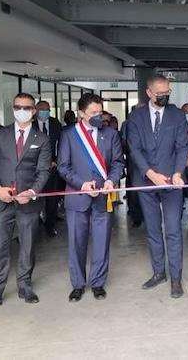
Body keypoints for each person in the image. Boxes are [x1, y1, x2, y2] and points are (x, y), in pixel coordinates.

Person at [0, 93, 51, 316]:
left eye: (27, 107)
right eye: (18, 107)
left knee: (27, 245)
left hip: (27, 203)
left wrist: (32, 191)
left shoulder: (42, 138)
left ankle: (25, 285)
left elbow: (43, 171)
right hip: (2, 202)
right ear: (13, 108)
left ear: (34, 111)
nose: (22, 111)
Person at [126, 75, 188, 298]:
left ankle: (176, 279)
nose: (164, 96)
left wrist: (177, 172)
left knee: (173, 230)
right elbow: (133, 149)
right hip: (146, 182)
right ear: (149, 92)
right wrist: (150, 174)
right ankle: (158, 273)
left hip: (172, 183)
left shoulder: (177, 115)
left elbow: (182, 147)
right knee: (153, 231)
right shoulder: (135, 117)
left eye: (167, 93)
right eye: (160, 93)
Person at [58, 93, 124, 302]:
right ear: (81, 114)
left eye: (100, 112)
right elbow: (63, 166)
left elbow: (118, 163)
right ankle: (78, 284)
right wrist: (81, 184)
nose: (98, 116)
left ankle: (98, 283)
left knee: (102, 241)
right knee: (76, 242)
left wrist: (110, 181)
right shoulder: (69, 134)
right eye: (93, 113)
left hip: (103, 197)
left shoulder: (110, 134)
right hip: (78, 197)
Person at [33, 100, 63, 237]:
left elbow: (61, 144)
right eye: (42, 109)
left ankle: (50, 226)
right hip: (34, 170)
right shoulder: (31, 125)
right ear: (36, 110)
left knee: (52, 200)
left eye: (47, 109)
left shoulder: (55, 123)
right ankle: (34, 225)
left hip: (52, 168)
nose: (45, 112)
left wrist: (56, 161)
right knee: (35, 199)